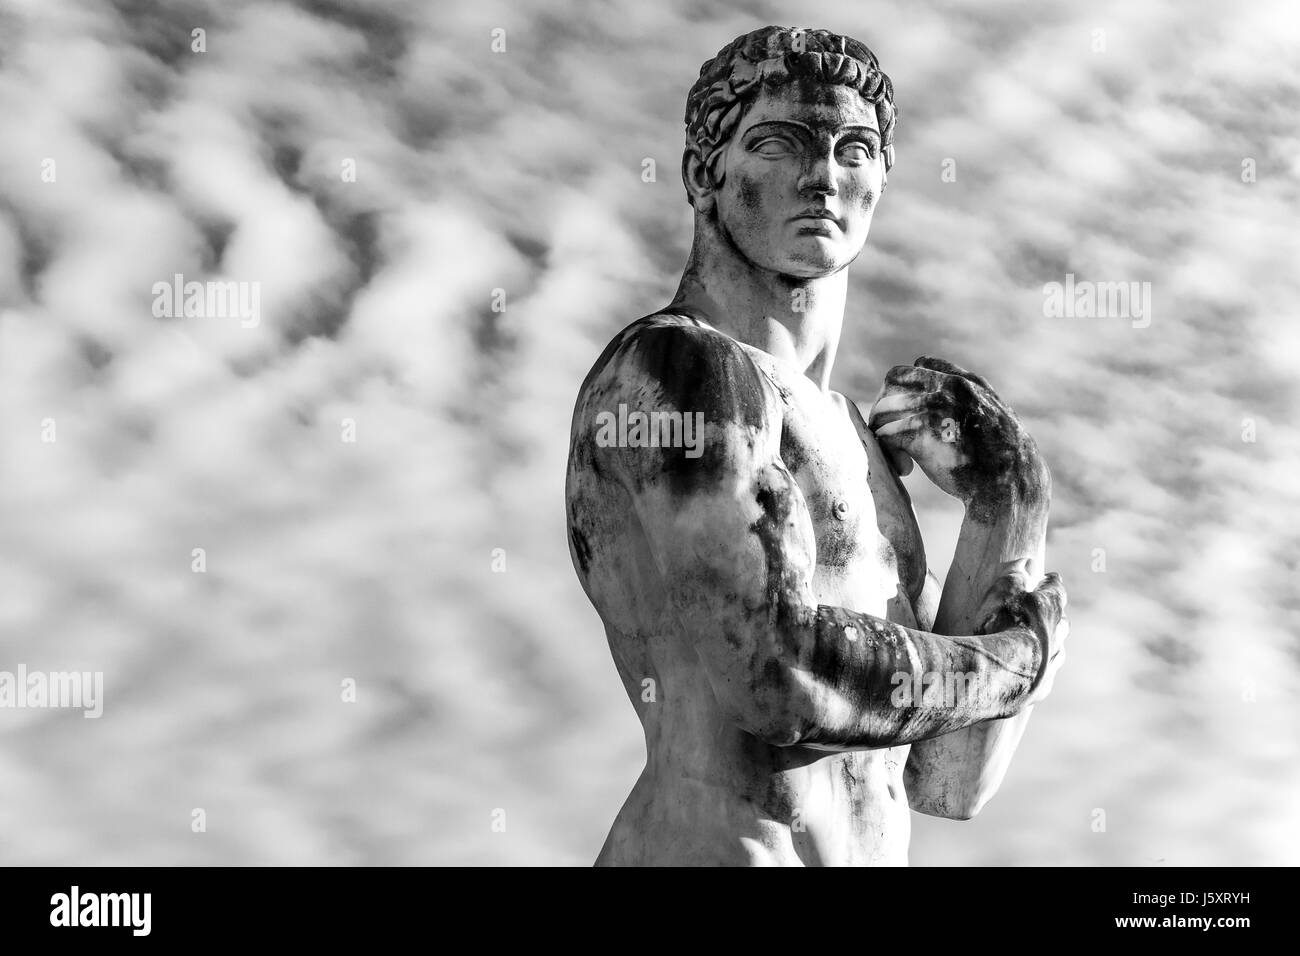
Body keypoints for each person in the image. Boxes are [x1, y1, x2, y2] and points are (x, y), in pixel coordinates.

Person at [565, 26, 1069, 866]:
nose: (823, 177)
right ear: (702, 174)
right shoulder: (676, 368)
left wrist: (1013, 503)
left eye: (855, 150)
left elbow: (950, 779)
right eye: (779, 142)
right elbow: (776, 675)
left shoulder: (862, 450)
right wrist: (1019, 661)